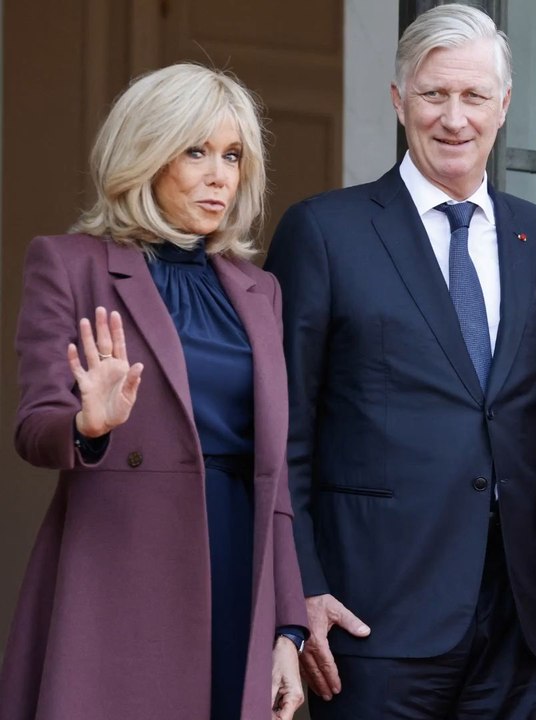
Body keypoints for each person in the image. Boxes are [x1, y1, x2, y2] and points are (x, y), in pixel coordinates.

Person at [263, 4, 536, 717]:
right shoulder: (324, 232)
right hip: (370, 618)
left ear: (505, 105)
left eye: (473, 96)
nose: (454, 118)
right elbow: (285, 437)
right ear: (401, 101)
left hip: (514, 625)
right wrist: (299, 588)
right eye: (435, 95)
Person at [0, 63, 308, 720]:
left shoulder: (259, 292)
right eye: (195, 150)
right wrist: (89, 424)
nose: (219, 173)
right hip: (122, 566)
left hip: (235, 558)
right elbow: (33, 427)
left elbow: (275, 481)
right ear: (145, 153)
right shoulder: (68, 265)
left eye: (231, 155)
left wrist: (287, 628)